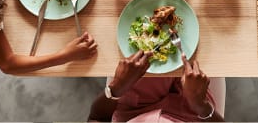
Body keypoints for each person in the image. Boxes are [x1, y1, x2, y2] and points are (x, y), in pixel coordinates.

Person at [88, 50, 225, 122]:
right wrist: (199, 104)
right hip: (193, 115)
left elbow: (97, 118)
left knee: (147, 48)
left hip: (135, 110)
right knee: (202, 49)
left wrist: (116, 88)